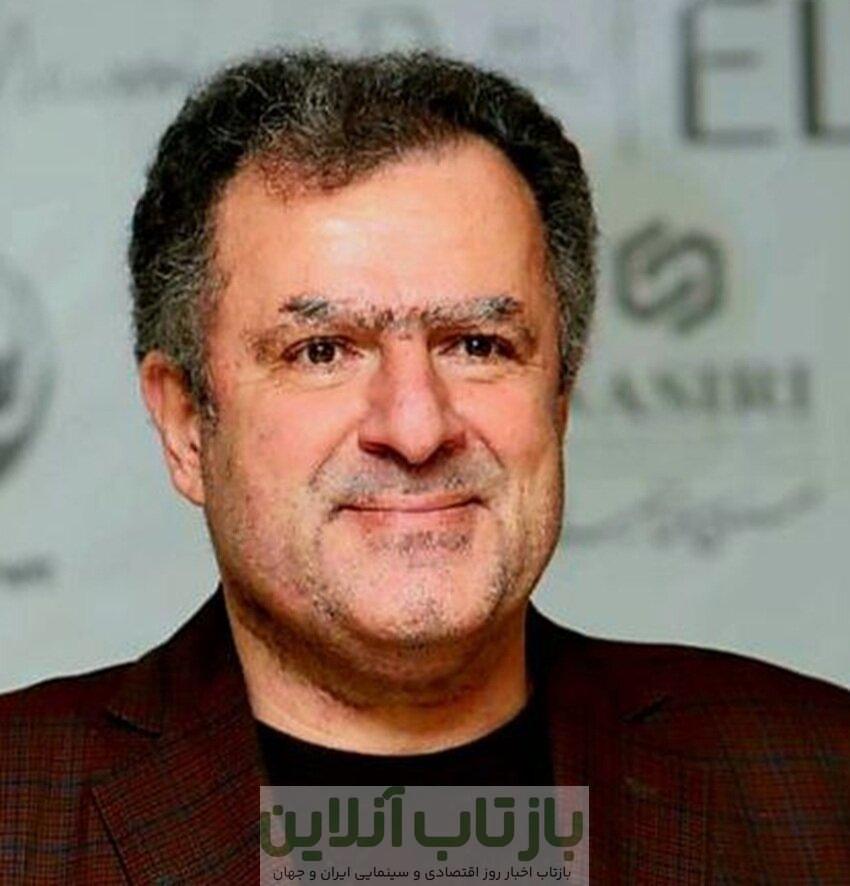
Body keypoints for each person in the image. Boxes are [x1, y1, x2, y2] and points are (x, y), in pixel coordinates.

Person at [1, 49, 848, 884]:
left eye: (477, 345)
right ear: (186, 423)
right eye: (322, 351)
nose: (415, 428)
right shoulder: (21, 814)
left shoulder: (819, 786)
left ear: (559, 395)